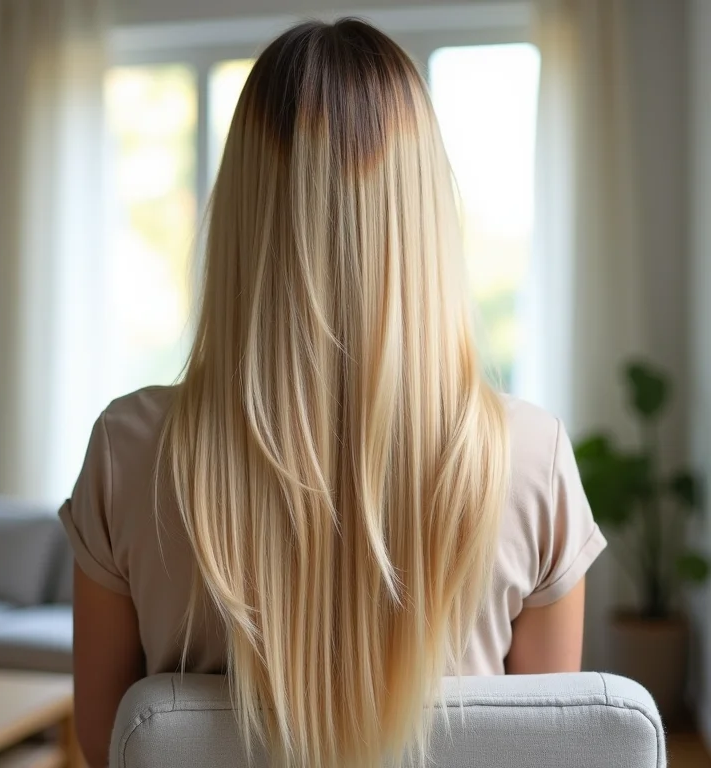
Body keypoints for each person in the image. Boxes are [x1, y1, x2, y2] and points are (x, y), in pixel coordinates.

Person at [61, 18, 606, 768]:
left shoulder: (128, 450)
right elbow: (546, 752)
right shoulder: (531, 458)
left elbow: (107, 744)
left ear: (240, 210)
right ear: (423, 215)